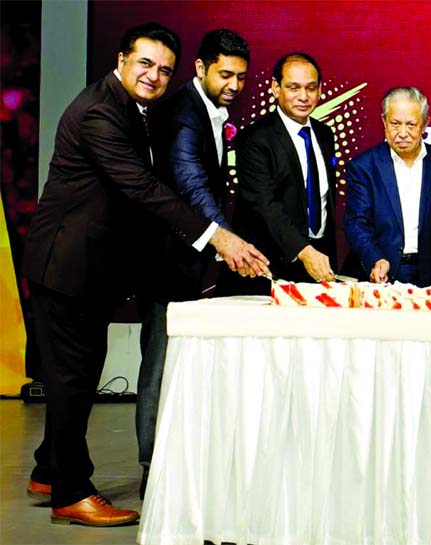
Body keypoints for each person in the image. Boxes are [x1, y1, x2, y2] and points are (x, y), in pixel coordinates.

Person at [21, 23, 268, 526]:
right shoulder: (99, 113)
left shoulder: (130, 108)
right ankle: (70, 491)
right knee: (72, 380)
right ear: (121, 59)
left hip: (87, 267)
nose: (154, 76)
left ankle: (48, 469)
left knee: (82, 376)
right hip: (66, 264)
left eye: (163, 69)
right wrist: (217, 236)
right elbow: (142, 189)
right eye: (145, 64)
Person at [136, 28, 250, 499]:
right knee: (159, 367)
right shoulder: (185, 113)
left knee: (176, 365)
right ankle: (151, 473)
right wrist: (223, 238)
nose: (234, 85)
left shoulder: (208, 110)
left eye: (241, 77)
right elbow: (190, 182)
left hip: (189, 261)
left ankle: (170, 466)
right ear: (201, 68)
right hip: (167, 262)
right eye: (225, 74)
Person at [232, 52, 337, 290]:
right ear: (275, 88)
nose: (303, 97)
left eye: (311, 88)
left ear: (320, 90)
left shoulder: (324, 134)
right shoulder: (254, 138)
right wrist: (304, 251)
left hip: (318, 265)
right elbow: (264, 205)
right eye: (293, 87)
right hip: (271, 265)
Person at [343, 87, 431, 286]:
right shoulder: (363, 166)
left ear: (425, 124)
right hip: (382, 271)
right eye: (395, 124)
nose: (402, 133)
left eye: (411, 125)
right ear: (384, 122)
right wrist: (375, 258)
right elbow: (356, 223)